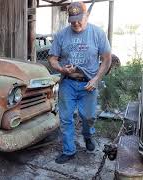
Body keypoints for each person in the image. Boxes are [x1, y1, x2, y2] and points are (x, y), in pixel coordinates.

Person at [47, 1, 112, 164]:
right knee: (66, 118)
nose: (75, 23)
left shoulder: (97, 33)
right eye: (72, 19)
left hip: (88, 84)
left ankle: (88, 135)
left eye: (79, 19)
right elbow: (52, 59)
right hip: (68, 83)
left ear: (87, 16)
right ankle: (69, 150)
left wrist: (96, 79)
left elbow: (106, 59)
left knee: (88, 117)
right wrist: (62, 69)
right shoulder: (62, 35)